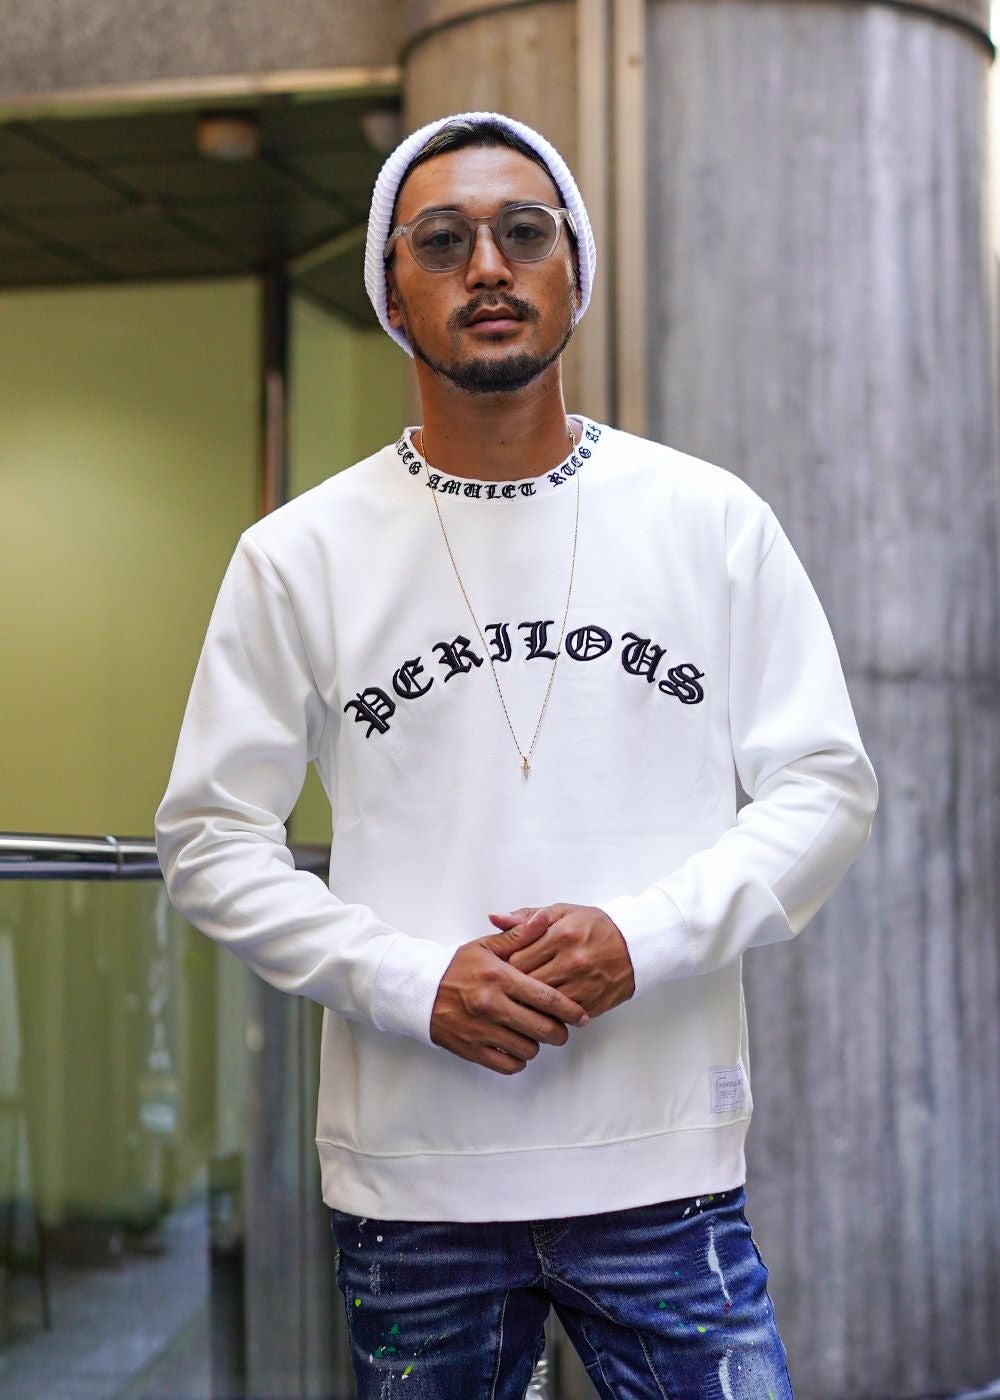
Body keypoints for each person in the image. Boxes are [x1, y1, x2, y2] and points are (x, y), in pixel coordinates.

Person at [156, 110, 877, 1399]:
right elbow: (210, 840)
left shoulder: (710, 519)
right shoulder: (299, 555)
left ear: (573, 272)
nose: (487, 265)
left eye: (523, 232)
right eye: (442, 240)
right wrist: (409, 979)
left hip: (664, 1166)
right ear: (391, 290)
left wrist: (640, 938)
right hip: (415, 1182)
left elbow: (824, 788)